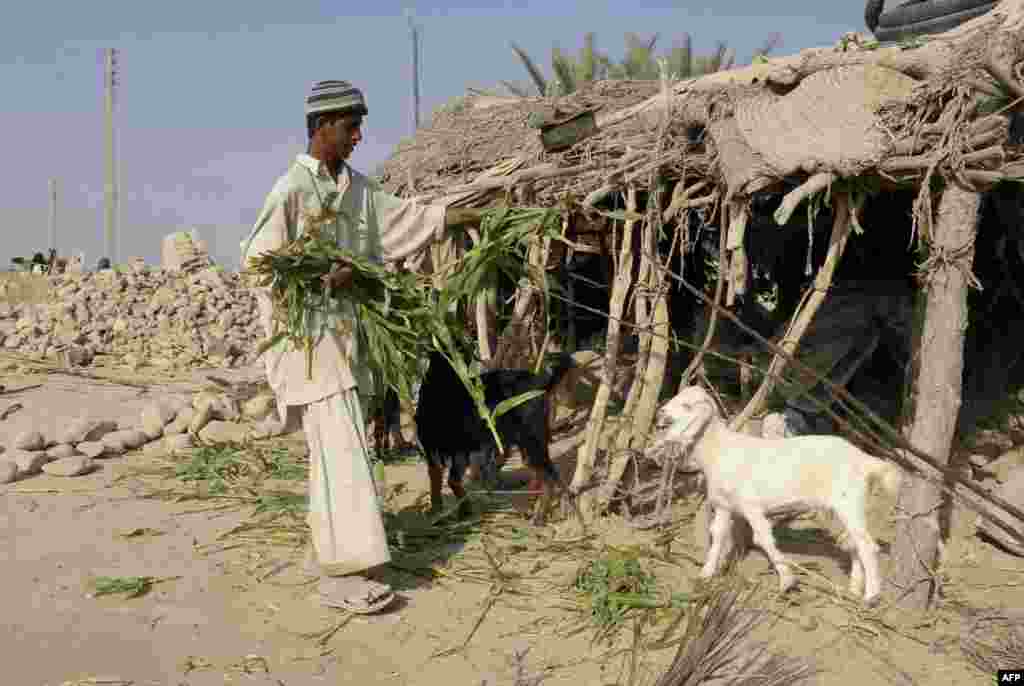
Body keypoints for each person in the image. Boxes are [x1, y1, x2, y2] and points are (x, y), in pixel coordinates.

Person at [241, 80, 484, 614]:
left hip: (347, 343)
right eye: (351, 126)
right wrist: (316, 276)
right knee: (343, 452)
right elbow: (258, 264)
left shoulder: (357, 190)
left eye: (359, 127)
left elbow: (403, 219)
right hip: (309, 344)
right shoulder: (291, 191)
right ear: (323, 126)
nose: (358, 137)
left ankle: (331, 551)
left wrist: (461, 216)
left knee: (337, 453)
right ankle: (345, 573)